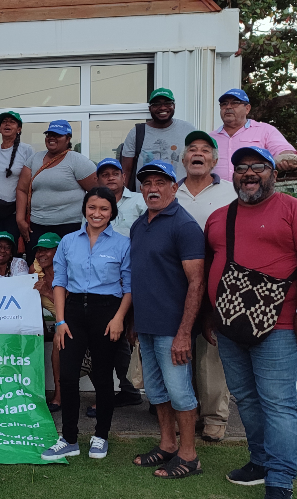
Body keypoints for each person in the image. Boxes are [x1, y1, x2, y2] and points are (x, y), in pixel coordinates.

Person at [205, 147, 297, 499]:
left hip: (280, 324)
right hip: (229, 324)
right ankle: (260, 463)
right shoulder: (219, 218)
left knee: (277, 403)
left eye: (257, 166)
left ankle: (280, 485)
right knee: (245, 396)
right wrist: (210, 317)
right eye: (241, 167)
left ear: (273, 172)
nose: (249, 173)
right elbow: (214, 266)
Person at [42, 187, 132, 461]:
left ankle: (100, 435)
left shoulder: (122, 244)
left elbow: (129, 287)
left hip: (107, 313)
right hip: (72, 312)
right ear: (85, 209)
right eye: (92, 207)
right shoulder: (69, 241)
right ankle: (69, 438)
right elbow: (59, 283)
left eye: (104, 209)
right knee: (68, 375)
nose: (97, 213)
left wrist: (119, 318)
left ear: (112, 213)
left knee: (103, 377)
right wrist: (60, 321)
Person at [129, 161, 205, 479]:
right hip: (146, 325)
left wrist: (184, 332)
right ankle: (167, 445)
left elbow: (197, 282)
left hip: (172, 329)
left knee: (180, 393)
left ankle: (189, 456)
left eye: (160, 182)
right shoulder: (138, 225)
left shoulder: (184, 226)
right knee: (157, 393)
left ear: (175, 188)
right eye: (147, 183)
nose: (153, 188)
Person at [175, 131, 237, 442]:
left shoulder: (229, 192)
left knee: (211, 350)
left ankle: (215, 417)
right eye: (192, 149)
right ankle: (188, 410)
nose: (198, 154)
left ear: (214, 160)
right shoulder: (172, 192)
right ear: (183, 159)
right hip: (178, 282)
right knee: (180, 347)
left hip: (217, 279)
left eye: (205, 150)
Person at [91, 158, 146, 409]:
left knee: (141, 335)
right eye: (105, 174)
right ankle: (128, 389)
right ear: (98, 179)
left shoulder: (139, 201)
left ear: (124, 177)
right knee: (117, 336)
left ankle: (155, 396)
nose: (110, 177)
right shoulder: (93, 208)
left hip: (141, 277)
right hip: (109, 284)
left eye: (116, 173)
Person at [16, 120, 97, 264]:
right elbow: (22, 189)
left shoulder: (78, 161)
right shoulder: (34, 159)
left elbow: (96, 193)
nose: (51, 138)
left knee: (69, 266)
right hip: (37, 226)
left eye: (57, 135)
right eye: (49, 134)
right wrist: (20, 220)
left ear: (68, 139)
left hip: (70, 226)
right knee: (36, 266)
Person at [210, 89, 297, 180]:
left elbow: (282, 149)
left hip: (254, 192)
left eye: (235, 103)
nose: (228, 107)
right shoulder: (210, 138)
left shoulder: (265, 130)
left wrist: (288, 158)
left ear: (247, 109)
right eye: (224, 104)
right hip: (217, 192)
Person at [120, 88, 196, 191]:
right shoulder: (137, 133)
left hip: (181, 198)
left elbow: (197, 163)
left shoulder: (188, 130)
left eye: (168, 103)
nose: (163, 107)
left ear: (174, 106)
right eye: (156, 104)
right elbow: (126, 171)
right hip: (145, 199)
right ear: (150, 108)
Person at [0, 111, 34, 244]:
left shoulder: (26, 150)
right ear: (0, 128)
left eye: (12, 122)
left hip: (15, 212)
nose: (7, 124)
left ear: (19, 129)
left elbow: (32, 181)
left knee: (12, 250)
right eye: (4, 122)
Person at [31, 233, 62, 412]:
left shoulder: (68, 270)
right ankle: (57, 394)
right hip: (59, 323)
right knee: (58, 336)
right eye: (39, 250)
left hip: (76, 318)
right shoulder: (34, 271)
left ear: (58, 251)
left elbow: (71, 307)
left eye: (47, 250)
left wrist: (48, 292)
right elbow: (31, 304)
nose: (41, 254)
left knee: (60, 336)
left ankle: (59, 394)